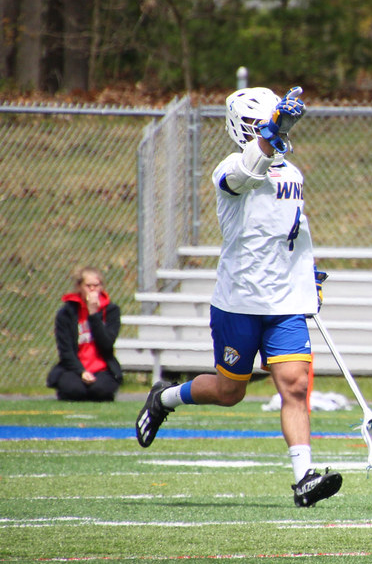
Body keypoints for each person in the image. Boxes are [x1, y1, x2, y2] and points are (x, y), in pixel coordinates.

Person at [135, 86, 342, 508]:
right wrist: (270, 135)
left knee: (296, 386)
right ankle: (165, 397)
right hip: (240, 302)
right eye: (261, 123)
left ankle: (304, 478)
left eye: (273, 120)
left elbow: (294, 231)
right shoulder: (229, 167)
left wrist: (308, 277)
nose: (270, 128)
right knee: (230, 392)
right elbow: (247, 174)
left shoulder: (293, 173)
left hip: (284, 303)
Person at [46, 266, 123, 401]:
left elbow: (107, 344)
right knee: (74, 390)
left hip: (102, 368)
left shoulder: (111, 310)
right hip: (75, 368)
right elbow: (65, 350)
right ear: (79, 287)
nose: (92, 289)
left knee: (100, 391)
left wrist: (93, 314)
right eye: (88, 286)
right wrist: (81, 371)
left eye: (96, 285)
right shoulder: (66, 313)